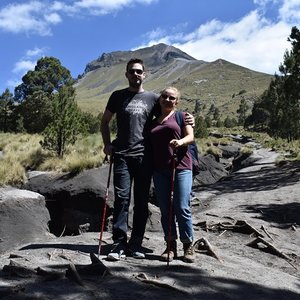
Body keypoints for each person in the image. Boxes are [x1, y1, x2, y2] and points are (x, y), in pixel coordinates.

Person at [101, 59, 194, 261]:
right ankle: (118, 244)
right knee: (122, 200)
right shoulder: (117, 96)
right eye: (132, 71)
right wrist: (107, 144)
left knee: (142, 202)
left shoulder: (153, 98)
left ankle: (136, 243)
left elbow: (168, 116)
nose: (136, 74)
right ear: (126, 74)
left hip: (145, 158)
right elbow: (105, 122)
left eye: (139, 71)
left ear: (145, 74)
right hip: (122, 156)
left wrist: (189, 118)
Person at [150, 86, 195, 263]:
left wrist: (180, 141)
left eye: (172, 98)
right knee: (165, 210)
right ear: (160, 99)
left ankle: (188, 245)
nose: (168, 100)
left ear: (177, 101)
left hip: (182, 166)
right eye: (165, 96)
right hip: (159, 169)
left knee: (182, 206)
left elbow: (190, 137)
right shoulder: (153, 121)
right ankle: (170, 246)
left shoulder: (182, 116)